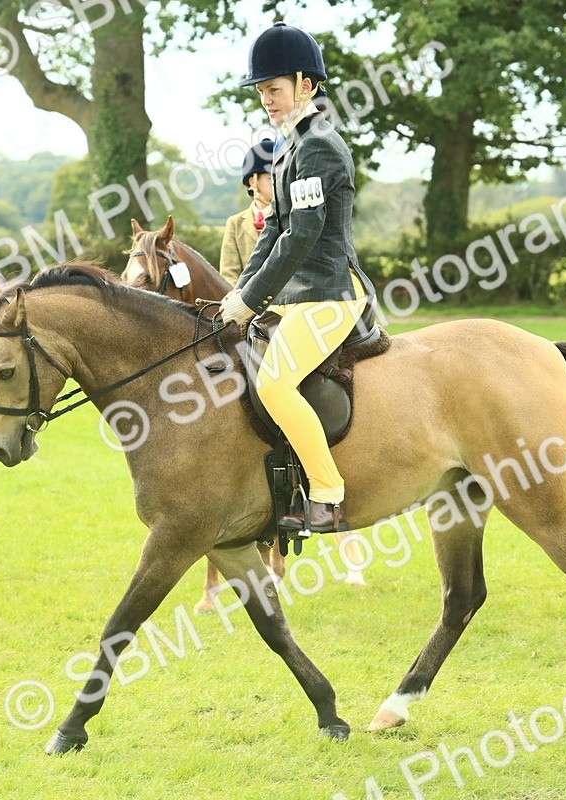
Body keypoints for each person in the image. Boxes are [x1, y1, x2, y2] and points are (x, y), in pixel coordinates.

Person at [219, 21, 377, 533]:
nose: (266, 99)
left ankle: (328, 495)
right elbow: (274, 232)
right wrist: (242, 292)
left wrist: (254, 296)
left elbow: (302, 236)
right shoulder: (286, 147)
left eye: (274, 89)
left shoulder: (319, 147)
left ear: (306, 85)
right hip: (296, 297)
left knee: (276, 385)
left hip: (329, 293)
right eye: (262, 91)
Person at [219, 138, 275, 285]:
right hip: (245, 302)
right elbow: (229, 274)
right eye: (271, 178)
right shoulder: (235, 223)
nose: (278, 183)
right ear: (252, 181)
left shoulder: (291, 218)